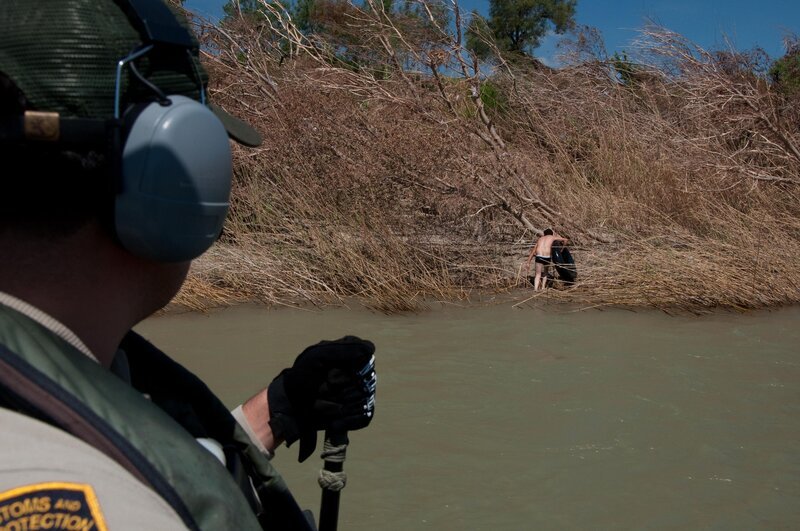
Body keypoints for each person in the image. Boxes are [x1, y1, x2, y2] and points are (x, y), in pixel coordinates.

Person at [0, 1, 376, 530]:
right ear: (171, 175)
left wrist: (278, 410)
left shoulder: (58, 367)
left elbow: (153, 454)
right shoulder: (106, 508)